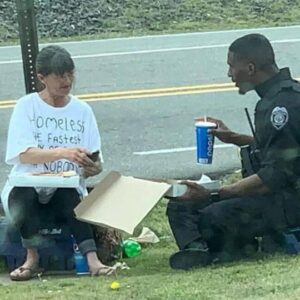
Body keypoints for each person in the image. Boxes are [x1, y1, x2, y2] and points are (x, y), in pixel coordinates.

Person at [166, 33, 300, 270]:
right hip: (275, 194)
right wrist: (234, 138)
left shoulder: (283, 107)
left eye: (231, 67)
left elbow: (274, 176)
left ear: (250, 68)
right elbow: (280, 149)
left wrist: (217, 193)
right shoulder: (274, 98)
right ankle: (197, 250)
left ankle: (228, 250)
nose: (229, 74)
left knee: (214, 215)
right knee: (181, 204)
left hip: (289, 200)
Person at [1, 45, 114, 280]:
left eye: (70, 74)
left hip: (66, 186)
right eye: (60, 76)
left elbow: (95, 160)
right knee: (24, 195)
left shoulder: (82, 111)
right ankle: (31, 258)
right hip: (28, 185)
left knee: (69, 195)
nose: (67, 80)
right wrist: (62, 153)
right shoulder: (27, 106)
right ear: (42, 77)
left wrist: (92, 167)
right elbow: (23, 154)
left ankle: (92, 259)